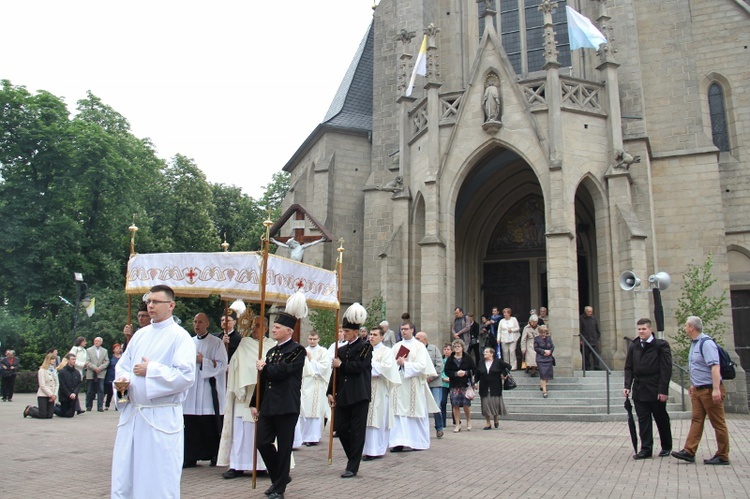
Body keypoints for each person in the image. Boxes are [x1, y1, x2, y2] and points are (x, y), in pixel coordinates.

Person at [111, 285, 197, 499]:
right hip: (133, 415)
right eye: (149, 301)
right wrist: (123, 380)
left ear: (171, 305)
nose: (150, 306)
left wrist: (152, 370)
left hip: (160, 416)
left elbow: (186, 375)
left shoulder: (180, 337)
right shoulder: (140, 335)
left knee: (157, 475)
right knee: (126, 473)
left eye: (156, 302)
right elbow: (123, 365)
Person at [250, 309, 306, 499]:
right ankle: (279, 478)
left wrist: (265, 368)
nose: (273, 330)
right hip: (268, 404)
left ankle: (279, 488)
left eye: (277, 327)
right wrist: (254, 401)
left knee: (284, 448)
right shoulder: (271, 351)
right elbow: (264, 379)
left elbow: (282, 371)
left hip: (286, 405)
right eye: (273, 326)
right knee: (262, 442)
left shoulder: (297, 350)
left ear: (289, 331)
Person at [217, 316, 275, 479]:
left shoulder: (272, 346)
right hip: (243, 396)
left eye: (258, 325)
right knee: (241, 431)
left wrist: (262, 369)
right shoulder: (245, 343)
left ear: (265, 328)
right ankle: (238, 465)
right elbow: (236, 364)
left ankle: (263, 466)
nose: (254, 329)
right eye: (252, 325)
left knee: (261, 433)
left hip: (263, 396)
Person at [671, 316, 731, 465]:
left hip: (709, 390)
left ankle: (723, 455)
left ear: (692, 327)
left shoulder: (706, 343)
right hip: (698, 390)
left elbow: (715, 367)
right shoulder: (694, 344)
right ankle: (689, 451)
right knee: (696, 420)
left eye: (686, 325)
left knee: (718, 423)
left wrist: (716, 389)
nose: (684, 328)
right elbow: (697, 368)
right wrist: (693, 384)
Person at [327, 303, 372, 478]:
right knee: (342, 428)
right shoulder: (341, 349)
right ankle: (353, 456)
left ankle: (352, 466)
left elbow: (359, 366)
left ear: (355, 332)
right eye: (343, 331)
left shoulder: (366, 347)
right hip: (343, 394)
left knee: (357, 429)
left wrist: (342, 364)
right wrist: (330, 391)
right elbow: (335, 372)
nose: (344, 334)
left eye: (346, 331)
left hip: (359, 394)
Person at [182, 312, 228, 468]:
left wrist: (203, 361)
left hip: (209, 391)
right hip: (191, 390)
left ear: (207, 324)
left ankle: (213, 454)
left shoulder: (216, 343)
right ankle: (190, 456)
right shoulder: (188, 342)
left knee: (208, 425)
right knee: (191, 425)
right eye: (195, 321)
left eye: (200, 322)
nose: (197, 325)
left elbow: (222, 365)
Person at [623, 318, 673, 459]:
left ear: (650, 330)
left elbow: (666, 368)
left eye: (643, 329)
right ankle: (646, 449)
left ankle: (666, 446)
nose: (641, 331)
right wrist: (627, 385)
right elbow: (629, 367)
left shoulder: (660, 345)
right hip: (639, 388)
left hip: (656, 388)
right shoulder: (634, 345)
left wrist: (663, 390)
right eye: (639, 329)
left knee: (661, 418)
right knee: (643, 420)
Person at [389, 322, 440, 451]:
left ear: (412, 330)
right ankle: (398, 442)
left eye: (406, 329)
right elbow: (390, 365)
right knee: (398, 413)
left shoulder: (419, 347)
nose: (403, 331)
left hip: (414, 384)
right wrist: (398, 363)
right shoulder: (396, 346)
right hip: (399, 385)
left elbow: (423, 366)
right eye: (401, 329)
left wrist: (406, 364)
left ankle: (417, 442)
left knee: (414, 412)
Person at [363, 326, 400, 460]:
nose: (371, 337)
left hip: (379, 388)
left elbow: (386, 368)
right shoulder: (365, 349)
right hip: (365, 387)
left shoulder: (387, 351)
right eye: (370, 334)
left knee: (377, 418)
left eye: (374, 335)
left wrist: (369, 366)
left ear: (382, 337)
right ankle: (366, 448)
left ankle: (376, 450)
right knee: (366, 418)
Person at [299, 330, 332, 446]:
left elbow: (325, 367)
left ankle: (313, 437)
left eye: (314, 339)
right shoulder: (303, 350)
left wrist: (311, 360)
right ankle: (303, 436)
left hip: (317, 383)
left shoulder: (323, 351)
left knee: (315, 410)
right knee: (304, 409)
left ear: (318, 339)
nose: (312, 341)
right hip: (305, 383)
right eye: (310, 339)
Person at [474, 347, 511, 430]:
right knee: (485, 405)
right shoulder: (481, 362)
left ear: (492, 354)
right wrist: (475, 382)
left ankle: (495, 418)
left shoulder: (498, 362)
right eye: (484, 352)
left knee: (495, 404)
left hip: (495, 386)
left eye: (486, 352)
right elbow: (477, 374)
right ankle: (488, 423)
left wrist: (503, 374)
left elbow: (508, 366)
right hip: (484, 386)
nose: (484, 353)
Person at [415, 331, 444, 438]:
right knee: (422, 407)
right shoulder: (414, 350)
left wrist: (429, 377)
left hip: (434, 383)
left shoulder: (434, 349)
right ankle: (423, 430)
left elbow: (439, 366)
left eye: (418, 338)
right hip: (421, 383)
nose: (416, 340)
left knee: (436, 405)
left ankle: (439, 427)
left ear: (424, 339)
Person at [444, 339, 476, 432]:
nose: (456, 348)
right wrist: (455, 374)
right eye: (455, 347)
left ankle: (468, 421)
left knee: (466, 404)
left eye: (458, 346)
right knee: (455, 405)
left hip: (465, 384)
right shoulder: (450, 358)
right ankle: (457, 424)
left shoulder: (468, 357)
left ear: (462, 347)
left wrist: (465, 372)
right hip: (454, 384)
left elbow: (474, 369)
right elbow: (446, 370)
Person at [23, 352, 59, 419]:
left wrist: (55, 395)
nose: (54, 360)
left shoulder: (54, 371)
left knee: (49, 415)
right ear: (48, 360)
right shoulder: (42, 370)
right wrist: (50, 394)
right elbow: (42, 385)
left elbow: (57, 384)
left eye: (54, 359)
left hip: (52, 394)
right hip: (43, 395)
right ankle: (30, 410)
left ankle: (36, 409)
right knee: (43, 415)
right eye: (52, 359)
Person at [85, 336, 110, 412]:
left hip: (101, 372)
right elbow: (87, 361)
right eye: (95, 341)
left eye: (98, 341)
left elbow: (107, 361)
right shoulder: (89, 350)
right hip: (91, 372)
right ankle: (88, 406)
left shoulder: (104, 351)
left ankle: (100, 406)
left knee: (101, 390)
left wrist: (100, 368)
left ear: (101, 342)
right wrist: (95, 368)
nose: (96, 342)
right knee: (90, 390)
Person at [56, 353, 82, 418]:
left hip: (73, 397)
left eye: (75, 359)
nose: (74, 361)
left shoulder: (76, 372)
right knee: (65, 414)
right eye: (72, 359)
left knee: (70, 414)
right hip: (65, 396)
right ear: (68, 360)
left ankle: (57, 407)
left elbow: (79, 383)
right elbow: (62, 385)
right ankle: (53, 408)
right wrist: (69, 394)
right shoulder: (62, 372)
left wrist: (75, 393)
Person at [69, 336, 88, 414]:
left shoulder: (84, 350)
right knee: (74, 389)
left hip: (81, 371)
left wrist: (85, 365)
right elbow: (71, 359)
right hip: (75, 370)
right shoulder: (75, 349)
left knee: (76, 389)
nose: (85, 343)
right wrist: (82, 364)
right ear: (80, 342)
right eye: (84, 341)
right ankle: (77, 407)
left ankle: (77, 407)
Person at [534, 325, 554, 398]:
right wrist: (544, 351)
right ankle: (544, 392)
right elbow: (536, 348)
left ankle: (542, 385)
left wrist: (550, 351)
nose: (543, 334)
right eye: (542, 332)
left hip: (548, 358)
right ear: (539, 332)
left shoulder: (549, 338)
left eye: (545, 332)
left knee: (548, 376)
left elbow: (552, 346)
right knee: (543, 375)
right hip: (540, 359)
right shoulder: (536, 339)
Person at [579, 306, 601, 370]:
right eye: (588, 311)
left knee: (596, 355)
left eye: (591, 311)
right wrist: (581, 340)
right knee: (586, 355)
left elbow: (597, 330)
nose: (589, 313)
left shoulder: (594, 318)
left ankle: (596, 366)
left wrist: (597, 338)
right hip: (585, 340)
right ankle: (587, 367)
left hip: (594, 340)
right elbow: (579, 329)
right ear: (585, 311)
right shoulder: (581, 318)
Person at [104, 344, 123, 410]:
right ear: (113, 350)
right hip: (111, 375)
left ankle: (117, 405)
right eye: (116, 348)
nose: (118, 349)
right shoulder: (110, 357)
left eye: (119, 348)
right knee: (110, 392)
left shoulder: (123, 357)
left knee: (119, 391)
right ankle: (107, 405)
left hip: (119, 375)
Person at [440, 343, 452, 428]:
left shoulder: (453, 360)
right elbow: (439, 371)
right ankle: (443, 421)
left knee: (454, 402)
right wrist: (443, 377)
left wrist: (450, 378)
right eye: (445, 349)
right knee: (442, 402)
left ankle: (456, 419)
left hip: (452, 383)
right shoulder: (441, 361)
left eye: (448, 349)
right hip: (443, 383)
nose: (446, 351)